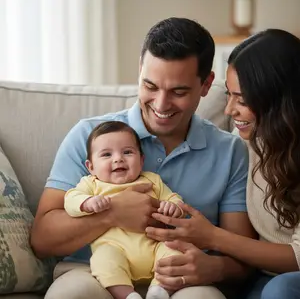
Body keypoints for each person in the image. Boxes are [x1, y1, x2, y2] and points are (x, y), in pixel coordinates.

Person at [31, 17, 255, 299]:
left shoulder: (230, 152)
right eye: (150, 86)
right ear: (140, 71)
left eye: (178, 91)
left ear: (206, 84)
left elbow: (243, 256)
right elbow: (41, 239)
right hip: (93, 270)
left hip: (180, 277)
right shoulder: (90, 137)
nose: (161, 105)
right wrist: (112, 213)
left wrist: (216, 268)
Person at [145, 29, 300, 299]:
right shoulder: (246, 145)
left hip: (284, 282)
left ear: (279, 98)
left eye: (242, 99)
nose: (228, 110)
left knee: (280, 289)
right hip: (263, 276)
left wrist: (212, 237)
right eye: (229, 95)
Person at [64, 120, 185, 299]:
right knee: (102, 260)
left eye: (127, 152)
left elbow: (173, 197)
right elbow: (70, 199)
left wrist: (173, 206)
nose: (118, 159)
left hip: (155, 247)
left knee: (175, 251)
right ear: (91, 167)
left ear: (141, 160)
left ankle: (159, 290)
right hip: (115, 249)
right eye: (106, 154)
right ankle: (128, 295)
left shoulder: (152, 180)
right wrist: (87, 202)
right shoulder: (92, 184)